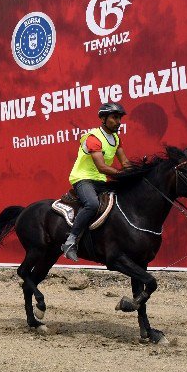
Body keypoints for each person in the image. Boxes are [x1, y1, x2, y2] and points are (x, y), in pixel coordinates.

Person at [61, 102, 131, 261]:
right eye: (114, 117)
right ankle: (70, 241)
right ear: (104, 119)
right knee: (92, 204)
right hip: (83, 178)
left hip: (100, 181)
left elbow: (125, 163)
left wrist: (138, 173)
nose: (119, 121)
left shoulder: (116, 138)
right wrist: (122, 174)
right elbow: (101, 167)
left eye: (119, 118)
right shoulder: (93, 138)